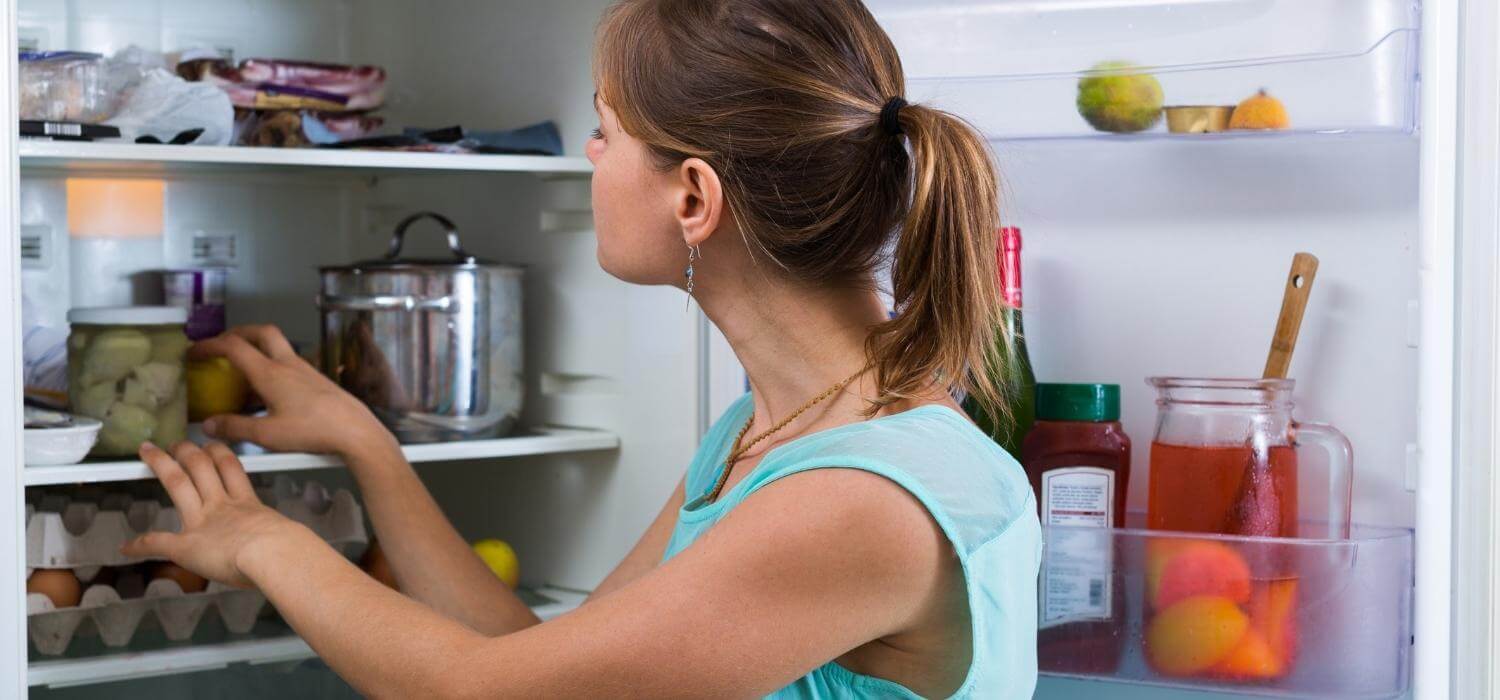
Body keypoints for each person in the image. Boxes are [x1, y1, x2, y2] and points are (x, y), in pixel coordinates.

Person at [123, 0, 1042, 697]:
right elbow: (532, 659)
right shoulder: (773, 431)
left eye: (606, 131)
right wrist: (369, 445)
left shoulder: (861, 500)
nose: (591, 158)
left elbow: (482, 692)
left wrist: (260, 544)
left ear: (693, 198)